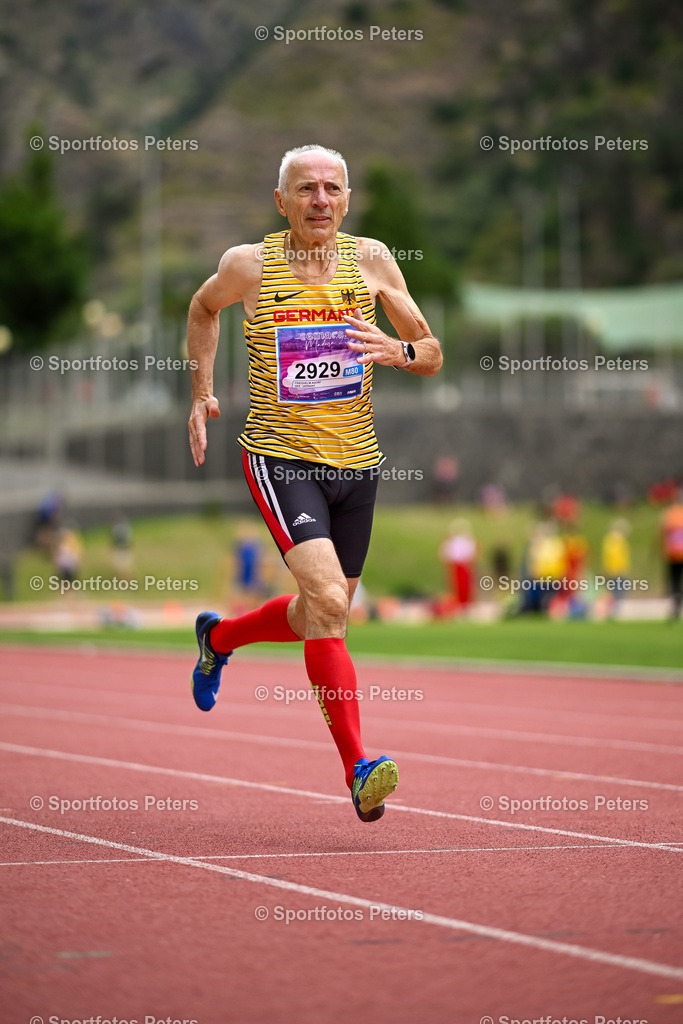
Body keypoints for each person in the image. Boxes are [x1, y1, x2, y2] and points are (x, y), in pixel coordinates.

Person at [186, 145, 443, 822]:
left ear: (348, 199)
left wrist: (399, 351)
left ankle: (218, 639)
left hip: (356, 463)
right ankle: (359, 768)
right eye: (305, 190)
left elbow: (431, 353)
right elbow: (202, 309)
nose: (319, 200)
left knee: (318, 615)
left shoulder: (373, 261)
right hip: (280, 458)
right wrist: (200, 393)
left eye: (331, 188)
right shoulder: (249, 266)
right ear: (282, 202)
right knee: (329, 603)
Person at [661, 490, 683, 620]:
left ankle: (676, 606)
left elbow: (663, 533)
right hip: (675, 554)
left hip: (672, 554)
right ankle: (676, 605)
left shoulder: (668, 514)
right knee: (675, 582)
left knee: (674, 582)